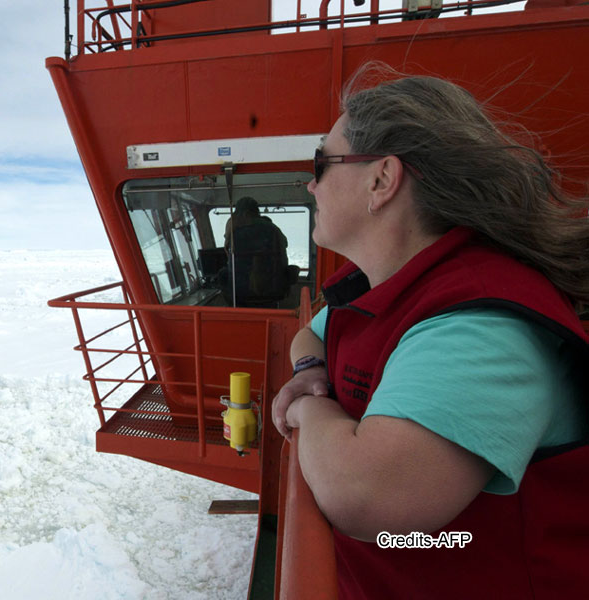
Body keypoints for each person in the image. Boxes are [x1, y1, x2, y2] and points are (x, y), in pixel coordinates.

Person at [271, 62, 589, 599]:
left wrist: (308, 409)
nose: (310, 181)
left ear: (381, 179)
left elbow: (366, 495)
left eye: (323, 162)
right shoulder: (380, 285)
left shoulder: (482, 323)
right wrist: (309, 370)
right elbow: (315, 334)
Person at [219, 196, 290, 306]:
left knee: (222, 274)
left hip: (242, 292)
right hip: (274, 289)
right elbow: (284, 244)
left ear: (244, 213)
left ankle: (231, 308)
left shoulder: (236, 231)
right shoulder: (274, 229)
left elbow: (228, 252)